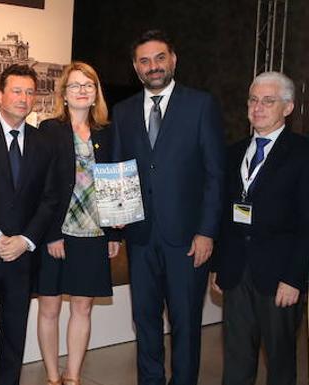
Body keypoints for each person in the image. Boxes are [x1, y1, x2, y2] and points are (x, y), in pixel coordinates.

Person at [110, 30, 225, 385]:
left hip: (188, 240)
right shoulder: (123, 111)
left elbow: (215, 175)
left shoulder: (200, 104)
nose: (153, 66)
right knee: (144, 320)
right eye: (144, 61)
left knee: (186, 322)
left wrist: (207, 231)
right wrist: (115, 226)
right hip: (141, 237)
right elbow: (118, 172)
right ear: (135, 67)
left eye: (160, 58)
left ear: (173, 60)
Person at [0, 64, 58, 385]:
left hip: (23, 256)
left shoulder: (44, 142)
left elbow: (49, 198)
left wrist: (26, 239)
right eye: (16, 91)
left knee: (14, 333)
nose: (23, 98)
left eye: (30, 92)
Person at [211, 72, 309, 385]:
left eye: (268, 101)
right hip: (237, 273)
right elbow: (225, 217)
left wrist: (294, 278)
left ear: (288, 107)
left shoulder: (302, 154)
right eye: (253, 100)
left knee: (280, 363)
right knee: (236, 358)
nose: (258, 107)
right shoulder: (233, 152)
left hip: (280, 278)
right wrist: (218, 266)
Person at [36, 62, 121, 385]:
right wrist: (50, 235)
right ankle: (52, 376)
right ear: (64, 94)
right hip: (56, 234)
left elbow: (115, 185)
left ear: (96, 93)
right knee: (49, 309)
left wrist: (114, 232)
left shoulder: (108, 132)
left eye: (89, 85)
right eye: (75, 85)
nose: (83, 90)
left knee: (82, 308)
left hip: (94, 233)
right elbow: (42, 187)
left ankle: (72, 377)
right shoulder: (49, 130)